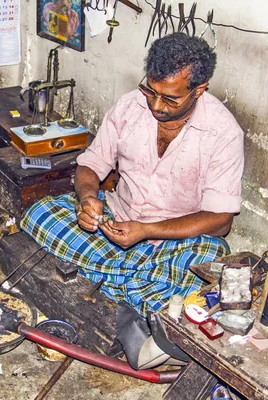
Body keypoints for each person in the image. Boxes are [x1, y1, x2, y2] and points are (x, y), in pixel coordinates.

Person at [20, 33, 244, 316]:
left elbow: (221, 222)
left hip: (173, 241)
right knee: (39, 213)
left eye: (170, 99)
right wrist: (88, 199)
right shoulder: (130, 106)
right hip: (114, 220)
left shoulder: (223, 133)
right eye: (151, 91)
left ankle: (103, 275)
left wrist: (148, 230)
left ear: (199, 90)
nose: (156, 106)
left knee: (213, 256)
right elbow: (91, 164)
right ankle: (135, 286)